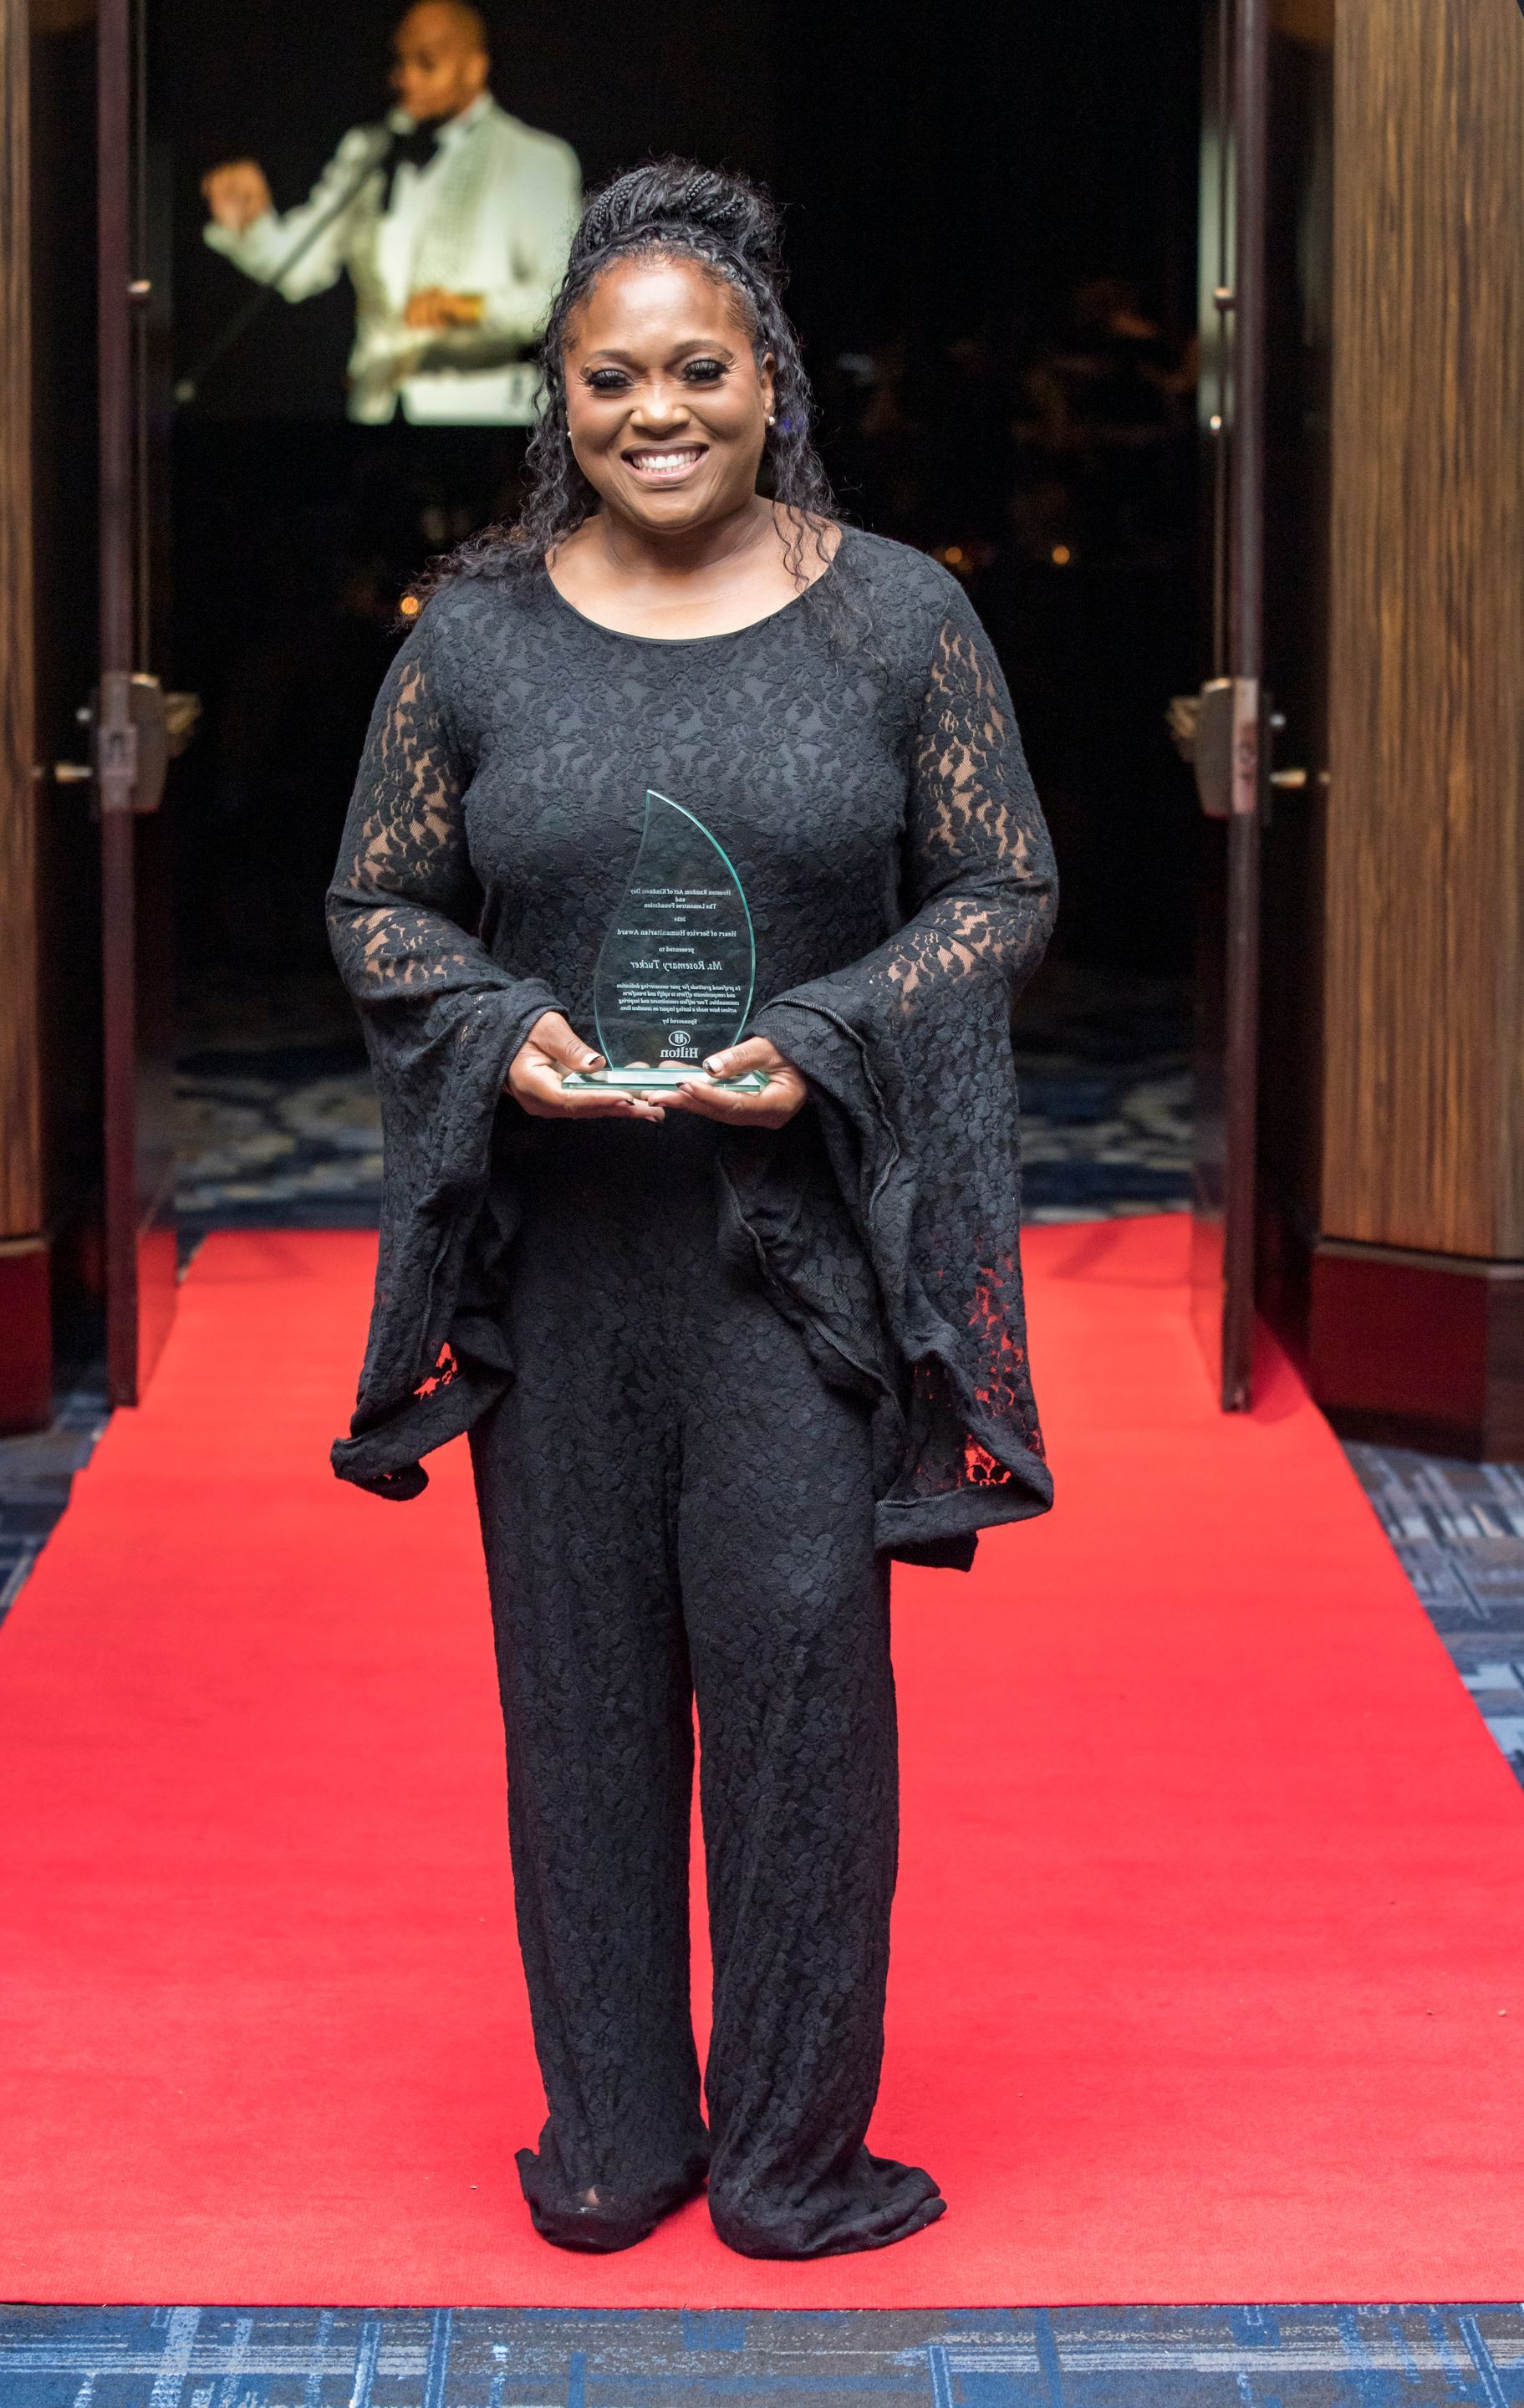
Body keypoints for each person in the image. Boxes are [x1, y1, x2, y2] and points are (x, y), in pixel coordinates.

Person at [326, 160, 1057, 2259]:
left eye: (700, 369)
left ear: (773, 383)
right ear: (559, 392)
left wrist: (831, 1024)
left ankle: (793, 2158)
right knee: (574, 1698)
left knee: (803, 1684)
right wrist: (492, 1018)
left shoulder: (902, 611)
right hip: (562, 1264)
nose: (660, 409)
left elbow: (1005, 887)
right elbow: (377, 897)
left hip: (795, 1265)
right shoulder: (468, 637)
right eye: (614, 374)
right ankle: (619, 2137)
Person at [201, 3, 580, 424]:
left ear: (474, 69)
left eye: (427, 63)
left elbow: (560, 302)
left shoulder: (535, 160)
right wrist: (250, 224)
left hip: (482, 412)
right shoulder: (367, 149)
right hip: (375, 407)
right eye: (400, 62)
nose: (406, 79)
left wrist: (469, 307)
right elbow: (301, 267)